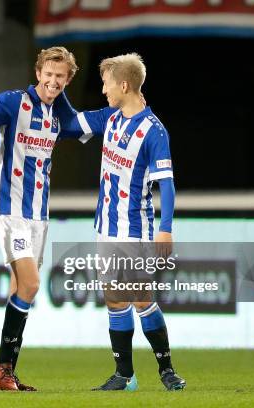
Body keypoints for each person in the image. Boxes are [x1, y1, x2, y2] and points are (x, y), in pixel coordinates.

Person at [58, 53, 186, 391]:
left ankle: (167, 371)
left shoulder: (153, 131)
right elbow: (71, 124)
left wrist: (166, 227)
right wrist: (55, 87)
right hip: (106, 226)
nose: (103, 90)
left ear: (124, 85)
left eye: (107, 84)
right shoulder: (111, 117)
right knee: (115, 298)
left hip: (135, 227)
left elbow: (167, 184)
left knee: (141, 297)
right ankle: (124, 376)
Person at [0, 46, 84, 391]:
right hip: (9, 208)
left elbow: (86, 124)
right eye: (49, 73)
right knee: (30, 285)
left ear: (67, 79)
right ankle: (0, 368)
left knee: (20, 289)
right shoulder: (13, 102)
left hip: (38, 214)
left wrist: (124, 106)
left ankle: (6, 371)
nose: (53, 81)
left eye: (60, 76)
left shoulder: (59, 114)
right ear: (38, 72)